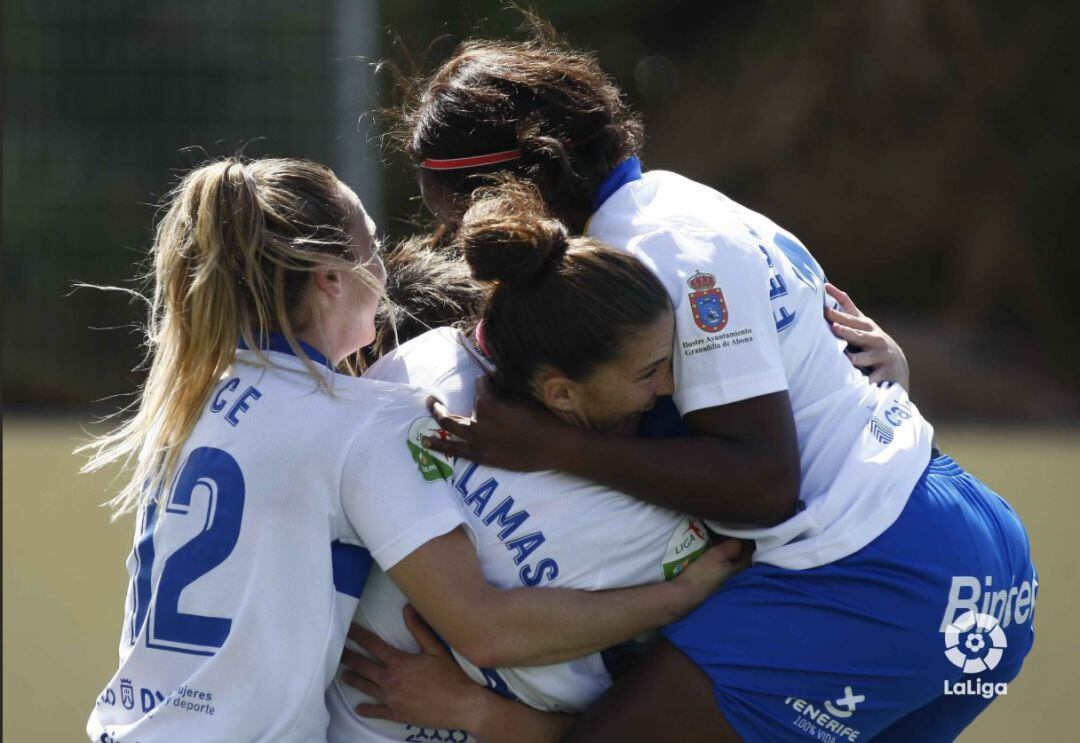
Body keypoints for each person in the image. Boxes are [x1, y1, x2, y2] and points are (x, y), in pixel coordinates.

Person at [349, 25, 1036, 741]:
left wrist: (551, 445)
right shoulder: (674, 203)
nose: (474, 246)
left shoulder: (656, 250)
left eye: (463, 217)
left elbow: (766, 485)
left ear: (529, 178)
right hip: (952, 545)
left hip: (872, 573)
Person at [83, 156, 736, 742]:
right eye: (371, 249)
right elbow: (485, 628)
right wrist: (678, 595)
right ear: (330, 279)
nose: (385, 270)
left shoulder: (184, 401)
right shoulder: (358, 421)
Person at [329, 180, 751, 743]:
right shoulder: (425, 381)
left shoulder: (426, 365)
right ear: (561, 395)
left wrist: (475, 711)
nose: (671, 385)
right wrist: (677, 598)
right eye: (649, 371)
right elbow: (485, 633)